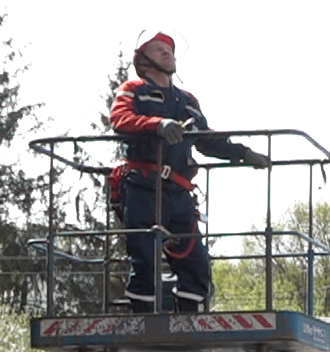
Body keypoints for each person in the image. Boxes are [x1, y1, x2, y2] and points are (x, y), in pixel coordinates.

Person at [110, 31, 270, 314]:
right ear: (143, 60)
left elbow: (206, 139)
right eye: (159, 49)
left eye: (169, 50)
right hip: (144, 187)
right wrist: (157, 124)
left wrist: (242, 153)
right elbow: (121, 120)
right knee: (145, 258)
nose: (167, 53)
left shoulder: (187, 101)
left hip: (179, 192)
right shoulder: (133, 90)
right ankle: (144, 321)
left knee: (195, 260)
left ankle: (190, 319)